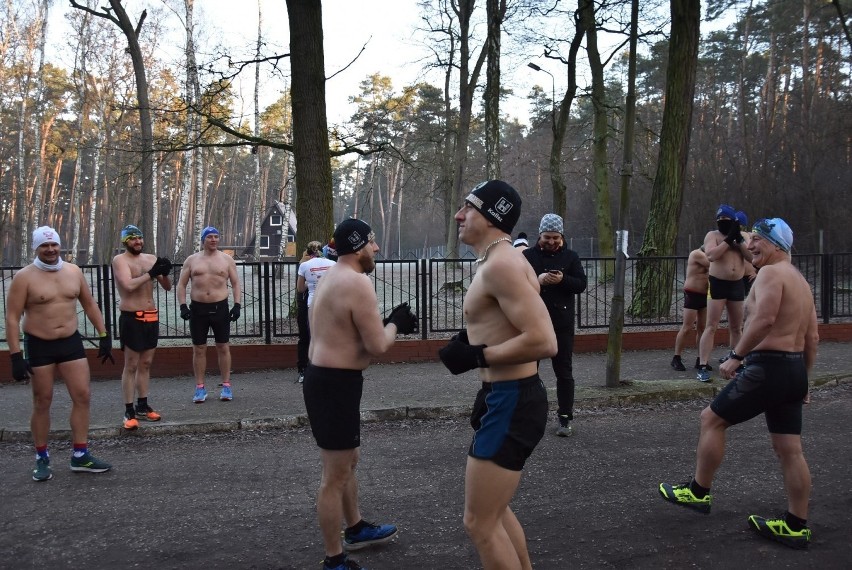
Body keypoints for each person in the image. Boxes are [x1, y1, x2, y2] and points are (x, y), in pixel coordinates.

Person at [659, 218, 817, 550]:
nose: (751, 245)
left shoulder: (772, 273)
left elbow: (765, 319)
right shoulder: (800, 281)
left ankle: (698, 491)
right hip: (791, 369)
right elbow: (812, 337)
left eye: (758, 240)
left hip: (767, 367)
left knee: (711, 419)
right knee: (790, 450)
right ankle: (796, 525)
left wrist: (736, 355)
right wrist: (804, 379)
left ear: (777, 245)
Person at [439, 180, 557, 570]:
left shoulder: (503, 264)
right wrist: (470, 342)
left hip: (511, 399)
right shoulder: (497, 260)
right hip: (504, 397)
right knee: (496, 513)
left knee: (479, 522)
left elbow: (543, 339)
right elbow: (507, 324)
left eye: (468, 208)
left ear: (492, 217)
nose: (459, 215)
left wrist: (479, 356)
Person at [303, 218, 417, 570]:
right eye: (371, 242)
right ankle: (334, 560)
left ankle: (355, 529)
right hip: (334, 385)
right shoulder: (357, 282)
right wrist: (398, 322)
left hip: (329, 381)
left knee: (348, 460)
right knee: (334, 476)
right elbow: (378, 345)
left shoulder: (330, 278)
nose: (376, 249)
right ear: (357, 246)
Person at [6, 226, 114, 481]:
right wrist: (15, 356)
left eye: (54, 245)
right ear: (36, 248)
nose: (51, 250)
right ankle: (42, 457)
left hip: (70, 343)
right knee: (42, 401)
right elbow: (12, 318)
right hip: (39, 344)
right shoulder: (24, 277)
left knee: (83, 396)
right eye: (45, 246)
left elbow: (89, 304)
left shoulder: (73, 271)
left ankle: (80, 455)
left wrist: (104, 335)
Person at [522, 213, 588, 437]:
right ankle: (528, 417)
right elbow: (517, 286)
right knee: (529, 373)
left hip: (561, 324)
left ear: (562, 236)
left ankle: (565, 417)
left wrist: (563, 280)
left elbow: (581, 284)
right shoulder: (527, 256)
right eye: (547, 237)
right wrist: (537, 281)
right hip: (533, 322)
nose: (551, 242)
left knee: (564, 373)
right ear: (539, 235)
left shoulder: (571, 257)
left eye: (555, 238)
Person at [111, 225, 173, 430]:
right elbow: (128, 285)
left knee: (146, 364)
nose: (137, 241)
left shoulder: (150, 258)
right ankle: (128, 410)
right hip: (132, 317)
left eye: (139, 238)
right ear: (125, 242)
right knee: (131, 365)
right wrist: (152, 273)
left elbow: (167, 286)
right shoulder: (120, 260)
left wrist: (164, 272)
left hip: (151, 316)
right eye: (132, 239)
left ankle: (142, 406)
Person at [176, 226, 242, 403]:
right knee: (199, 348)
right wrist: (183, 306)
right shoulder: (192, 260)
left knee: (223, 347)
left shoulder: (227, 260)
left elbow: (235, 284)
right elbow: (181, 285)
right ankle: (200, 388)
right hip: (198, 310)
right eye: (210, 237)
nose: (213, 240)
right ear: (203, 240)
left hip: (220, 308)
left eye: (216, 237)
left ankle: (226, 386)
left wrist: (237, 305)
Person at [696, 204, 752, 382]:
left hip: (736, 284)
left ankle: (738, 362)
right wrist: (728, 241)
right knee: (711, 325)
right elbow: (711, 256)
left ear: (734, 221)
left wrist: (738, 240)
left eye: (726, 220)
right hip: (718, 284)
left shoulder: (743, 236)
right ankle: (703, 365)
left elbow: (752, 258)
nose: (722, 223)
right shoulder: (713, 235)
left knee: (737, 327)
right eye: (720, 220)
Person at [295, 241, 335, 383]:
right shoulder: (332, 264)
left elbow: (300, 289)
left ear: (307, 252)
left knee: (307, 337)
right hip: (328, 304)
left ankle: (304, 371)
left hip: (311, 304)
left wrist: (310, 283)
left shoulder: (304, 265)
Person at [671, 247, 710, 372]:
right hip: (693, 293)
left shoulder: (710, 255)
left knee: (703, 328)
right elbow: (712, 264)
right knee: (687, 327)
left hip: (706, 295)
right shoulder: (697, 254)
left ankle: (701, 359)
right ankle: (676, 357)